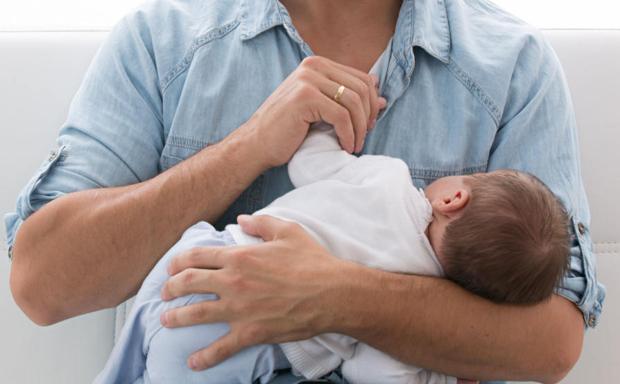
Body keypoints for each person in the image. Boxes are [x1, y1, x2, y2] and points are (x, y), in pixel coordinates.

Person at [5, 0, 604, 383]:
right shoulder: (159, 44)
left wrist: (335, 296)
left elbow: (552, 344)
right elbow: (43, 284)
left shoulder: (514, 67)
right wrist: (248, 148)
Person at [94, 120, 572, 384]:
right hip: (234, 342)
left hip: (205, 254)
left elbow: (311, 162)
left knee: (131, 347)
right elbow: (372, 372)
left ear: (454, 198)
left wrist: (324, 124)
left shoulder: (389, 179)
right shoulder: (413, 303)